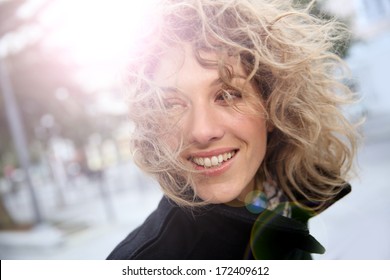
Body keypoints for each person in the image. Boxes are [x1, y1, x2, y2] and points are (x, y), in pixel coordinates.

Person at [107, 0, 359, 260]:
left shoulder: (282, 209)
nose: (202, 131)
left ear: (273, 106)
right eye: (172, 104)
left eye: (227, 94)